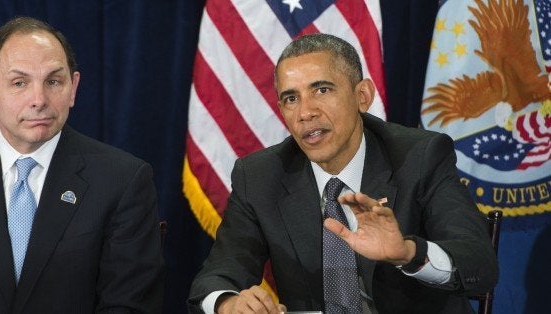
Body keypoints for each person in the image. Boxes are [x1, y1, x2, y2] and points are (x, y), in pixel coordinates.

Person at [188, 33, 498, 313]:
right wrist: (229, 305)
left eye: (321, 90)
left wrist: (408, 253)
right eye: (291, 98)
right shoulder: (259, 175)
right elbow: (216, 276)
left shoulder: (419, 156)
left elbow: (479, 266)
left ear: (362, 95)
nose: (305, 112)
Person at [0, 17, 163, 313]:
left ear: (73, 87)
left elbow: (128, 306)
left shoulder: (124, 181)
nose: (39, 100)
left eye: (53, 81)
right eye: (19, 82)